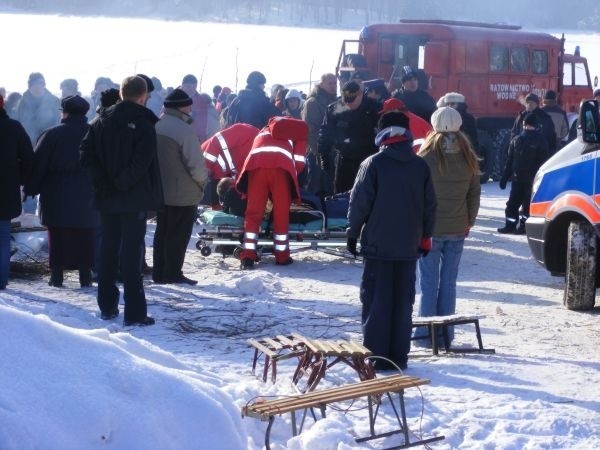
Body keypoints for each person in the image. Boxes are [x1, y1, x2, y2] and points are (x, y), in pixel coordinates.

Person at [346, 111, 436, 371]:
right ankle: (399, 356)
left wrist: (352, 234)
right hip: (409, 247)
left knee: (377, 301)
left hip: (378, 247)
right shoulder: (420, 166)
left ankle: (377, 356)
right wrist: (426, 237)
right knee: (402, 302)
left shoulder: (373, 164)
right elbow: (430, 206)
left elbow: (359, 203)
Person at [80, 75, 161, 326]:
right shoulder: (144, 123)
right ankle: (134, 313)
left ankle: (107, 306)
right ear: (143, 96)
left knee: (107, 250)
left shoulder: (99, 121)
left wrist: (105, 183)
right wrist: (120, 184)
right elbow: (142, 162)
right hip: (131, 197)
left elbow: (86, 156)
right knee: (130, 254)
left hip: (107, 197)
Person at [415, 107, 481, 345]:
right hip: (458, 227)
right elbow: (474, 195)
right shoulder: (468, 156)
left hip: (430, 230)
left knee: (428, 282)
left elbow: (417, 196)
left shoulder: (424, 157)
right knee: (449, 282)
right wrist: (469, 221)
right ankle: (446, 335)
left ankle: (424, 337)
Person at [25, 95, 96, 288]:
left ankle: (57, 275)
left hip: (56, 192)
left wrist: (31, 188)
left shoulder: (52, 134)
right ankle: (85, 275)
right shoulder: (95, 133)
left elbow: (38, 165)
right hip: (88, 194)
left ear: (64, 112)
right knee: (85, 234)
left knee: (57, 235)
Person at [236, 117, 308, 269]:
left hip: (256, 167)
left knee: (253, 213)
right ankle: (282, 256)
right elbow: (299, 163)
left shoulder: (263, 131)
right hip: (280, 169)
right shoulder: (298, 132)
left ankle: (248, 256)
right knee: (281, 213)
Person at [153, 88, 208, 285]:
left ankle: (159, 273)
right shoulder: (184, 130)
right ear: (181, 107)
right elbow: (196, 165)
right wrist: (202, 183)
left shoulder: (157, 125)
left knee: (162, 232)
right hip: (182, 191)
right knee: (178, 236)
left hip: (161, 189)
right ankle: (173, 273)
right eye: (188, 104)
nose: (191, 107)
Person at [317, 80, 380, 194]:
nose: (348, 104)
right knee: (341, 196)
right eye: (346, 100)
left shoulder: (374, 108)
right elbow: (325, 133)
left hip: (369, 160)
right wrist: (324, 156)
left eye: (352, 100)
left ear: (360, 94)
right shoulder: (335, 109)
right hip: (344, 161)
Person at [0, 94, 34, 290]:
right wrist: (20, 181)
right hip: (6, 191)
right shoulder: (14, 127)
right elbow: (28, 158)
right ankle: (2, 280)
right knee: (3, 238)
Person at [498, 113, 549, 234]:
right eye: (526, 126)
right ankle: (510, 225)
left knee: (527, 206)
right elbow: (509, 160)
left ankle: (524, 227)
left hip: (531, 181)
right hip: (518, 180)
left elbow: (543, 163)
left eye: (529, 126)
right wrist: (504, 177)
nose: (527, 128)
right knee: (512, 205)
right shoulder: (517, 140)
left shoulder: (540, 141)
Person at [201, 123, 260, 207]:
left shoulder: (257, 163)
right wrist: (205, 165)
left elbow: (239, 177)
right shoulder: (250, 132)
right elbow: (217, 140)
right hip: (205, 166)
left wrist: (243, 195)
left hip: (219, 176)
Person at [301, 73, 338, 195]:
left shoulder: (336, 102)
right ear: (321, 84)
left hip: (331, 151)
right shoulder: (312, 103)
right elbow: (310, 130)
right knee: (316, 187)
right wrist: (318, 152)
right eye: (330, 83)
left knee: (329, 187)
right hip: (317, 152)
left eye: (335, 83)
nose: (333, 86)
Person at [17, 72, 61, 144]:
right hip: (28, 140)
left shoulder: (54, 101)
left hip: (49, 139)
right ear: (29, 86)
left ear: (44, 85)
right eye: (34, 85)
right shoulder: (22, 102)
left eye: (40, 85)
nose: (37, 88)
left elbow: (58, 121)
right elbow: (19, 121)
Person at [510, 92, 556, 157]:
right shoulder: (521, 117)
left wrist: (549, 155)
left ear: (537, 104)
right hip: (522, 156)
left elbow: (551, 138)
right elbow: (514, 133)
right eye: (527, 103)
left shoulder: (544, 118)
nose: (529, 104)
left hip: (539, 156)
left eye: (532, 102)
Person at [180, 74, 219, 142]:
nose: (191, 89)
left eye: (194, 87)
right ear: (182, 85)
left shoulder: (200, 102)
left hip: (193, 139)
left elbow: (202, 125)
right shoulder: (173, 98)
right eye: (188, 86)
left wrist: (201, 141)